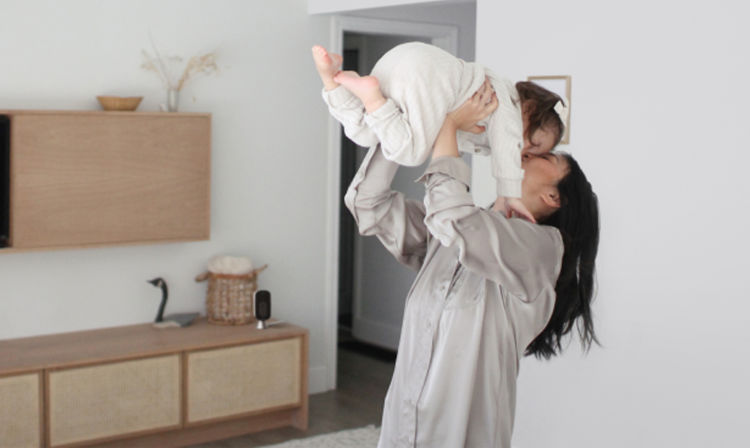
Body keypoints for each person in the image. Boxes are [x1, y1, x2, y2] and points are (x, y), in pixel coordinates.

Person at [344, 82, 599, 447]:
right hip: (402, 430)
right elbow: (368, 204)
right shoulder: (455, 233)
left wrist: (448, 128)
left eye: (546, 157)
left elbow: (454, 217)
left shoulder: (542, 250)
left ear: (553, 197)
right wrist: (405, 126)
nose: (526, 153)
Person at [313, 41, 567, 222]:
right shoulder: (506, 105)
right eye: (533, 145)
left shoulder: (486, 124)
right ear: (529, 108)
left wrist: (455, 125)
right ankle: (372, 98)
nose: (525, 154)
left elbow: (447, 133)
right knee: (409, 153)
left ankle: (332, 81)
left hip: (400, 62)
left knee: (366, 134)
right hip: (427, 73)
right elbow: (506, 147)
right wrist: (508, 194)